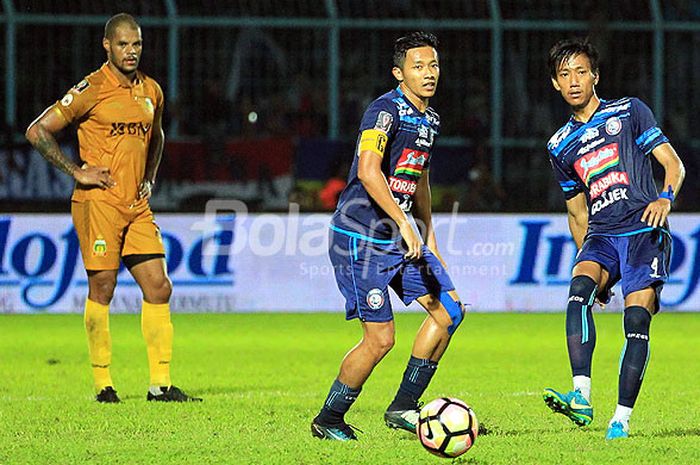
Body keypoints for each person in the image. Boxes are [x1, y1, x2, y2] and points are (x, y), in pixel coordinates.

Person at [25, 13, 201, 403]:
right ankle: (103, 384)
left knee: (159, 285)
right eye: (123, 44)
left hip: (136, 204)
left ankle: (160, 385)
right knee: (103, 285)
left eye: (136, 44)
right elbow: (37, 131)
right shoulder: (92, 88)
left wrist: (150, 177)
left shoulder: (151, 90)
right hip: (99, 202)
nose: (131, 51)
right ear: (107, 46)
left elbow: (157, 136)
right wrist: (77, 171)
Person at [311, 32, 466, 441]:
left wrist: (429, 237)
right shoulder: (384, 111)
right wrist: (403, 222)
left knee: (450, 311)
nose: (429, 73)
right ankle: (328, 419)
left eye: (433, 65)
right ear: (399, 73)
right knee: (381, 339)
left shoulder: (430, 119)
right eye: (418, 66)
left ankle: (402, 407)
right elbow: (368, 170)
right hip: (360, 237)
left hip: (401, 237)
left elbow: (420, 179)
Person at [542, 38, 684, 439]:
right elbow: (576, 211)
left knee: (636, 320)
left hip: (643, 230)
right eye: (565, 74)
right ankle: (581, 396)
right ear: (555, 84)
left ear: (595, 76)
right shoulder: (558, 145)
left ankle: (620, 419)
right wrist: (590, 259)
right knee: (579, 290)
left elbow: (673, 164)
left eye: (581, 72)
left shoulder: (629, 111)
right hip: (601, 235)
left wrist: (665, 198)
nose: (574, 81)